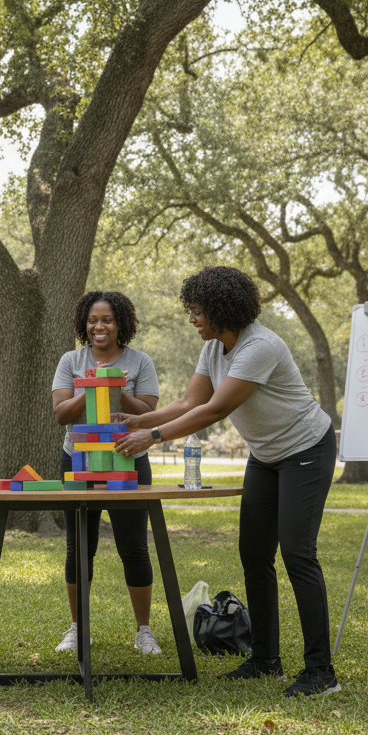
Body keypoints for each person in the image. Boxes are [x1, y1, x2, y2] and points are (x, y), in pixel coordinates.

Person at [113, 266, 340, 697]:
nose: (193, 319)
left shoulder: (259, 346)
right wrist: (140, 419)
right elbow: (187, 401)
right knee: (254, 555)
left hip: (305, 450)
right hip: (266, 455)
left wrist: (154, 435)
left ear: (222, 309)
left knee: (297, 553)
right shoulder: (215, 347)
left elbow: (215, 410)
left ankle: (321, 672)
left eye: (198, 311)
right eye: (192, 310)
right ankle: (264, 658)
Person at [50, 291, 163, 656]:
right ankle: (77, 628)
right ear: (84, 323)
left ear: (121, 325)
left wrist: (114, 385)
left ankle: (144, 631)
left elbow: (148, 412)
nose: (99, 326)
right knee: (79, 547)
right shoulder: (71, 360)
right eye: (93, 320)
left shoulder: (140, 361)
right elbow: (62, 414)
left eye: (108, 320)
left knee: (134, 547)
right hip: (79, 460)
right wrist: (91, 385)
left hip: (128, 459)